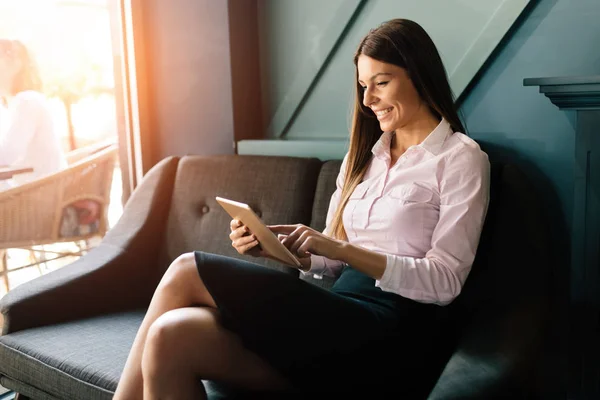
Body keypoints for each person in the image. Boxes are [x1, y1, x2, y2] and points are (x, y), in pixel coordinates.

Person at [114, 18, 490, 399]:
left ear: (419, 75)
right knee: (171, 335)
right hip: (338, 313)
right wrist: (285, 249)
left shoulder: (461, 158)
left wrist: (340, 248)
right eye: (363, 86)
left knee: (186, 269)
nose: (367, 100)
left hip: (392, 330)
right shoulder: (362, 158)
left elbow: (445, 282)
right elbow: (331, 260)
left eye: (381, 82)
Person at [0, 39, 66, 189]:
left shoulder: (27, 101)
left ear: (15, 64)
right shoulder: (13, 105)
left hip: (39, 198)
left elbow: (6, 156)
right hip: (33, 193)